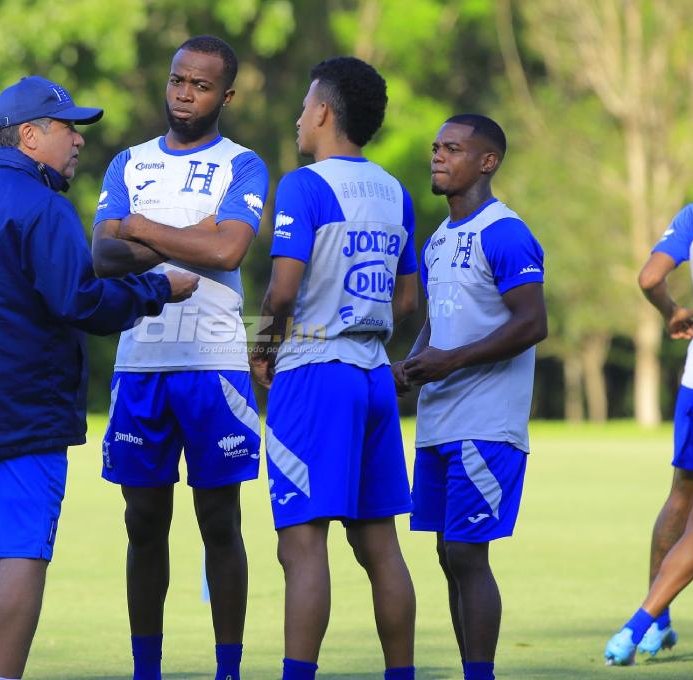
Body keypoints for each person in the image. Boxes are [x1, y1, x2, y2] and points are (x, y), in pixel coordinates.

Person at [0, 76, 198, 680]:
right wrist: (156, 288)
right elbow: (81, 303)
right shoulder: (43, 207)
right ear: (31, 136)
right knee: (22, 549)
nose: (79, 142)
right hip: (24, 414)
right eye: (68, 129)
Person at [91, 35, 268, 680]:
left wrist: (138, 227)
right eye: (176, 81)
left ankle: (228, 669)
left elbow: (228, 254)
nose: (183, 94)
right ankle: (147, 669)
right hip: (141, 364)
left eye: (199, 85)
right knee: (144, 524)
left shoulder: (243, 165)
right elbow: (100, 258)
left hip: (215, 366)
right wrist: (191, 238)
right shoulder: (127, 163)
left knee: (220, 521)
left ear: (226, 94)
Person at [249, 57, 419, 680]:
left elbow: (283, 290)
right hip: (374, 374)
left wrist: (263, 346)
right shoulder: (395, 190)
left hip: (316, 372)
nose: (297, 118)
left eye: (302, 105)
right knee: (380, 546)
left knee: (302, 543)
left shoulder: (303, 185)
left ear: (322, 112)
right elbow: (406, 300)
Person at [396, 114, 547, 680]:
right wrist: (410, 367)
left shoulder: (504, 232)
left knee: (465, 553)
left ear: (488, 162)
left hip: (487, 424)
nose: (438, 156)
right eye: (436, 147)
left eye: (453, 149)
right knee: (445, 555)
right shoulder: (438, 239)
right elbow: (441, 324)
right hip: (438, 423)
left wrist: (451, 362)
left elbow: (532, 323)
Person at [603, 202, 693, 666]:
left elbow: (648, 278)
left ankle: (657, 624)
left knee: (682, 496)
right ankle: (638, 626)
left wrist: (671, 311)